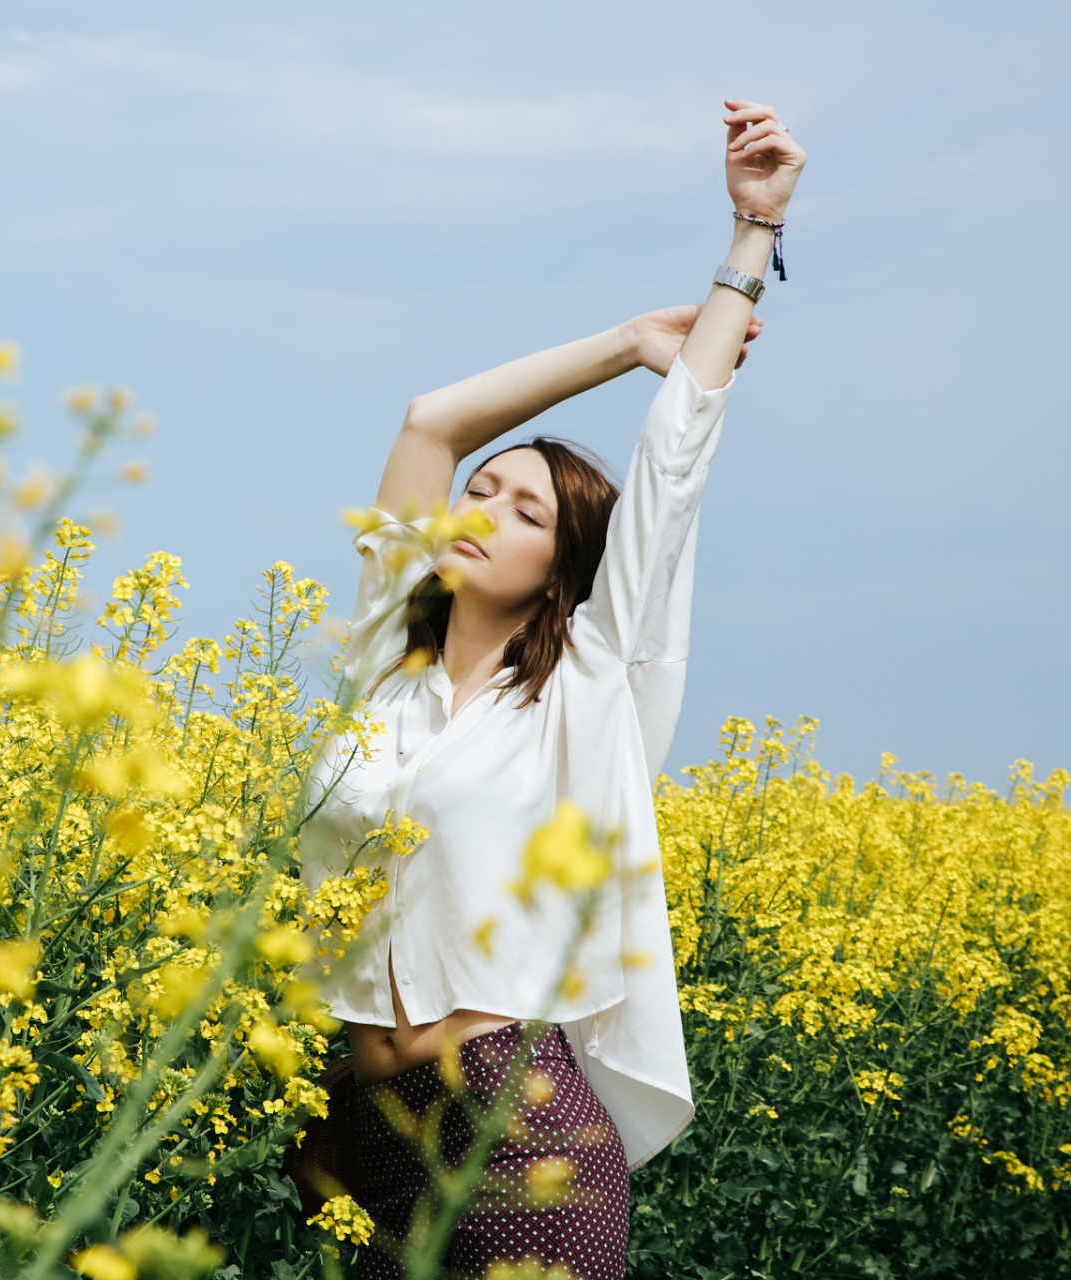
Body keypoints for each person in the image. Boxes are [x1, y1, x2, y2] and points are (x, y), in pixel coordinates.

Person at [297, 100, 806, 1280]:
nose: (482, 512)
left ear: (563, 573)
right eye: (480, 491)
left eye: (527, 512)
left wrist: (751, 232)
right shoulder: (387, 660)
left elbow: (674, 460)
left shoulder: (592, 679)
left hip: (515, 1124)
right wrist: (626, 335)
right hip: (357, 1136)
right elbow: (433, 418)